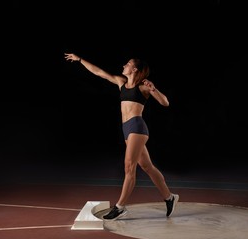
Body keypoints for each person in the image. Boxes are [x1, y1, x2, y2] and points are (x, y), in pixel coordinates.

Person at [64, 53, 179, 220]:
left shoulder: (143, 87)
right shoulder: (121, 83)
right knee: (147, 167)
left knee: (129, 167)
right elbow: (99, 72)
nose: (123, 66)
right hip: (127, 128)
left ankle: (120, 207)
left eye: (127, 64)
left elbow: (165, 102)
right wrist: (80, 60)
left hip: (137, 127)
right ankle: (170, 197)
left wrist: (154, 89)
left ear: (134, 69)